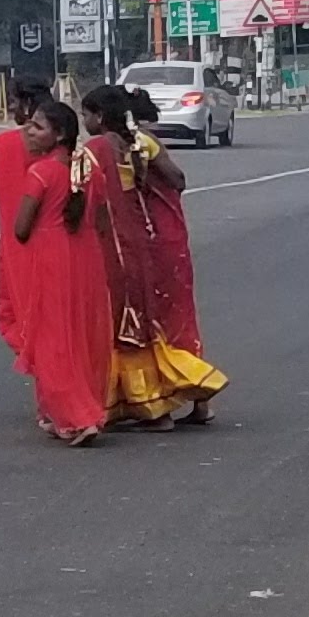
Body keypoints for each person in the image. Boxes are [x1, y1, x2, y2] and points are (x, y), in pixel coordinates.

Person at [80, 85, 225, 428]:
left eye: (85, 114)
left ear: (99, 116)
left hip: (117, 245)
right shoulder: (141, 142)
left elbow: (85, 199)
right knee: (162, 321)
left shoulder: (95, 150)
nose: (83, 121)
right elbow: (176, 180)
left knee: (126, 324)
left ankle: (152, 405)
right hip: (147, 241)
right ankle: (190, 399)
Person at [5, 97, 113, 447]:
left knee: (51, 339)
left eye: (38, 127)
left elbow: (21, 229)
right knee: (81, 335)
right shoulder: (89, 171)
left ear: (60, 135)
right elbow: (102, 222)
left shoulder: (41, 172)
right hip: (86, 258)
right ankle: (66, 411)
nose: (29, 131)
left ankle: (79, 415)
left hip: (51, 259)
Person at [121, 84, 209, 365]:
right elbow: (176, 181)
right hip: (154, 230)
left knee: (159, 305)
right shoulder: (137, 141)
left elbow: (176, 180)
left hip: (148, 231)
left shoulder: (136, 142)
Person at [0, 76, 37, 377]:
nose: (11, 109)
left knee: (20, 313)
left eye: (13, 102)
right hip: (61, 242)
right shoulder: (66, 142)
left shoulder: (6, 144)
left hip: (21, 240)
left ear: (26, 104)